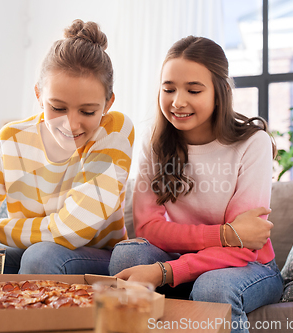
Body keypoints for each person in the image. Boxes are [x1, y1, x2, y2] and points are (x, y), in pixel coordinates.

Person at [109, 35, 283, 333]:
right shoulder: (157, 144)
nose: (178, 101)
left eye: (193, 90)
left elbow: (245, 246)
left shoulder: (253, 143)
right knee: (128, 255)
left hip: (251, 266)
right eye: (169, 89)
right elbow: (149, 229)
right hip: (184, 258)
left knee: (212, 288)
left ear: (221, 92)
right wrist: (226, 233)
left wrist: (166, 271)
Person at [0, 19, 134, 276]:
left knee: (41, 257)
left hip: (95, 256)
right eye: (58, 108)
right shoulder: (11, 139)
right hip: (31, 249)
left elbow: (72, 231)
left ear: (107, 104)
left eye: (87, 111)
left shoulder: (115, 130)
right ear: (39, 95)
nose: (71, 125)